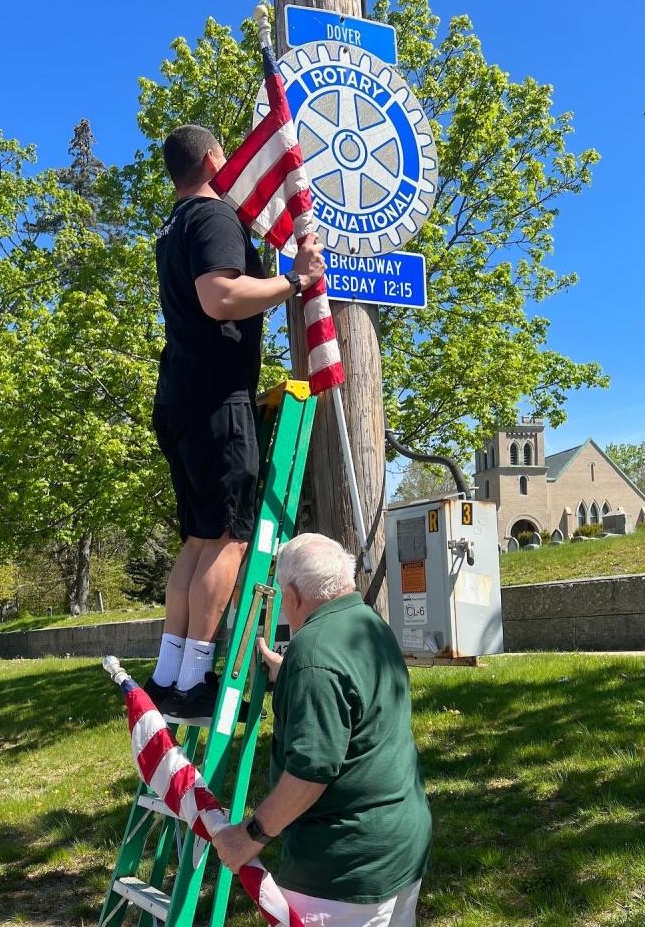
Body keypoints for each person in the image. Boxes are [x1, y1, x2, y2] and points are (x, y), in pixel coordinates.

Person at [147, 125, 326, 719]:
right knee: (230, 538)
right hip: (216, 397)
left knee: (199, 541)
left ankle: (169, 675)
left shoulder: (171, 227)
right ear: (214, 160)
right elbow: (220, 297)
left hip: (178, 395)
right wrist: (295, 279)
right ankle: (196, 680)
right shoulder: (213, 217)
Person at [213, 533, 432, 927]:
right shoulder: (368, 625)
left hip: (343, 868)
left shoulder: (313, 654)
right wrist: (289, 674)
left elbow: (310, 773)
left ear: (293, 595)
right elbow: (353, 693)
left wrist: (250, 834)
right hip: (400, 842)